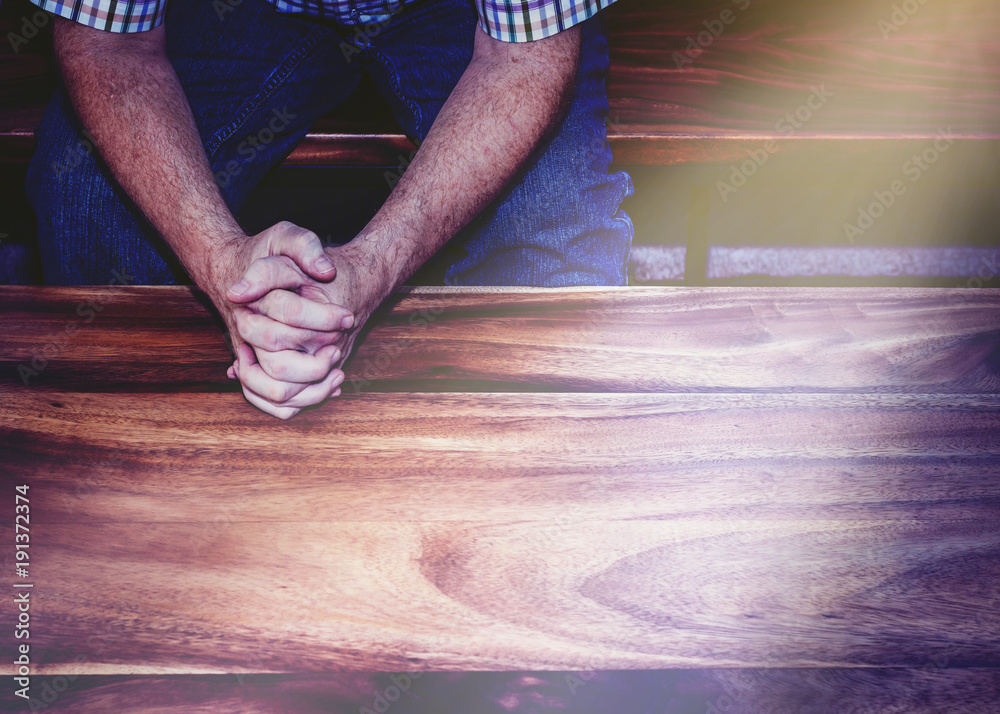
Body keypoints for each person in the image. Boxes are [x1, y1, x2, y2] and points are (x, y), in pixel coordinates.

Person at [25, 0, 634, 418]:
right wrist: (221, 265)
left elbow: (522, 58)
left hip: (462, 13)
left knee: (554, 257)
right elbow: (111, 45)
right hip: (232, 10)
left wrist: (369, 269)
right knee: (85, 206)